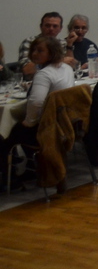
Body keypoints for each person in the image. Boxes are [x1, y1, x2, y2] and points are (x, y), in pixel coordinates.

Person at [0, 36, 76, 178]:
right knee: (17, 128)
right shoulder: (66, 68)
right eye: (33, 50)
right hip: (67, 123)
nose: (34, 53)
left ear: (52, 53)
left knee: (7, 135)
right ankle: (32, 165)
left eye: (40, 51)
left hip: (49, 129)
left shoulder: (44, 74)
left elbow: (36, 103)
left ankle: (11, 179)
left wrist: (29, 122)